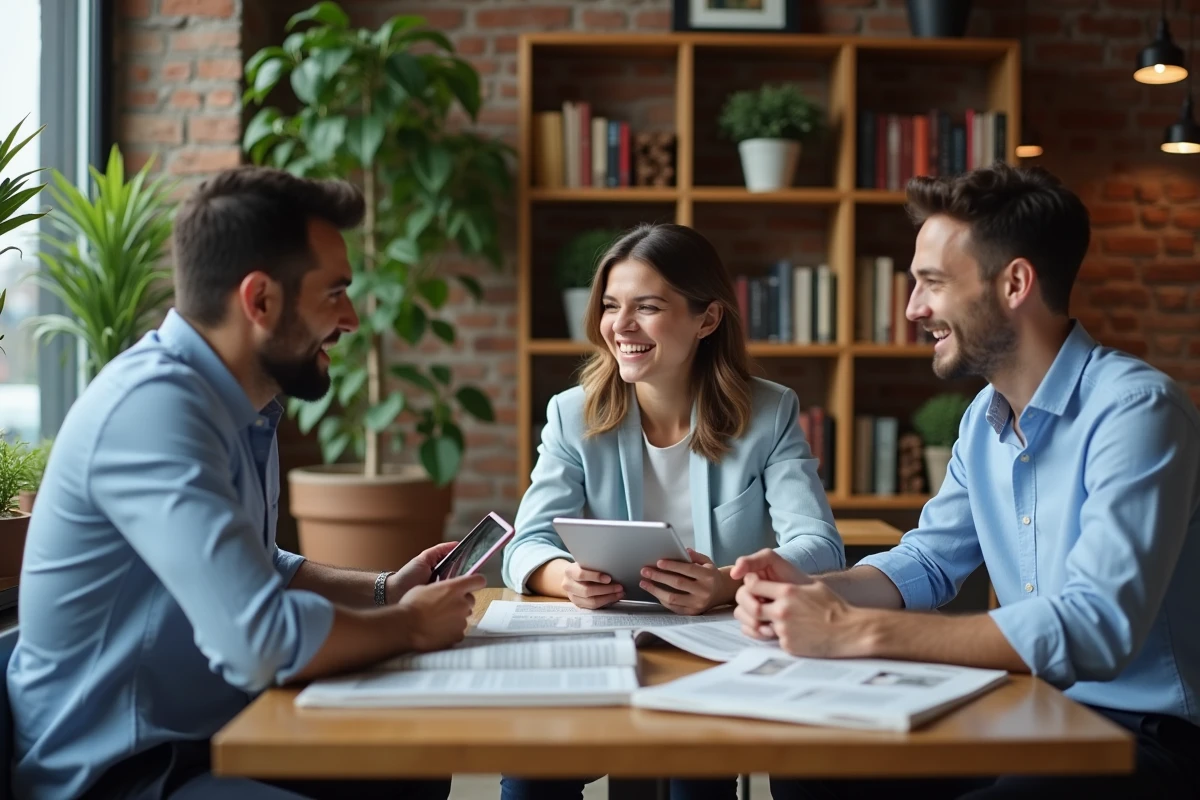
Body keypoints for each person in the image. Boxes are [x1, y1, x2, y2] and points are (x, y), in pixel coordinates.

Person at [6, 167, 485, 800]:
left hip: (209, 734)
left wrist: (385, 591)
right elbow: (257, 640)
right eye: (334, 292)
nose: (352, 318)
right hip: (124, 772)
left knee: (412, 773)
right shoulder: (154, 411)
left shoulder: (236, 404)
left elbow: (259, 564)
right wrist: (410, 626)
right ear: (259, 300)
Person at [732, 162, 1200, 799]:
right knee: (811, 768)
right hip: (1026, 707)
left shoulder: (1138, 411)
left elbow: (1096, 628)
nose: (912, 308)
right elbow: (928, 562)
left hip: (1143, 734)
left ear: (1014, 283)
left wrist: (855, 630)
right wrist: (814, 586)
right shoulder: (984, 416)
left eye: (931, 283)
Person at [500, 222, 844, 800]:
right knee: (534, 768)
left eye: (648, 307)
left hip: (717, 651)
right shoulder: (572, 414)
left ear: (706, 320)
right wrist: (567, 579)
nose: (621, 326)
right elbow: (525, 545)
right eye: (611, 306)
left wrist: (726, 585)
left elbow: (820, 545)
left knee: (698, 774)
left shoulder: (769, 412)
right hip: (606, 644)